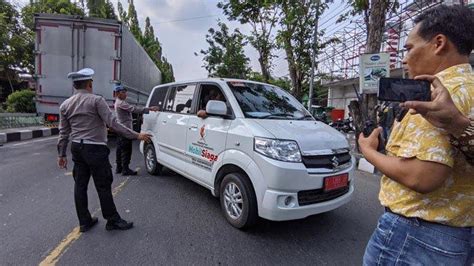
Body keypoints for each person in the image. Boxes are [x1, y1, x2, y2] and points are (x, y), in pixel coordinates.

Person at [358, 5, 473, 265]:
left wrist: (368, 151)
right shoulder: (470, 86)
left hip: (414, 236)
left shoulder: (436, 94)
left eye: (409, 48)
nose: (404, 59)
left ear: (439, 43)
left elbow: (423, 175)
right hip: (458, 234)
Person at [57, 68, 152, 232]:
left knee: (80, 185)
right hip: (94, 148)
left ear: (74, 86)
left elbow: (63, 133)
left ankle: (85, 221)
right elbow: (113, 124)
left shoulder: (65, 105)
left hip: (77, 148)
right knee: (103, 185)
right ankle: (112, 220)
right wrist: (136, 135)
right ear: (89, 84)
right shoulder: (96, 101)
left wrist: (61, 154)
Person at [401, 76, 473, 164]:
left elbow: (429, 173)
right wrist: (455, 123)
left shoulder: (456, 89)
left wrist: (378, 156)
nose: (404, 61)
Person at [114, 85, 159, 175]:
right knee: (126, 150)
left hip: (121, 130)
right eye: (123, 92)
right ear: (118, 93)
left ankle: (119, 168)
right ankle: (125, 169)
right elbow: (134, 109)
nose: (125, 94)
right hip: (125, 130)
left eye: (125, 92)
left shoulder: (119, 102)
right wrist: (149, 109)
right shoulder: (121, 103)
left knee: (120, 149)